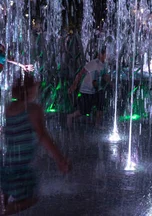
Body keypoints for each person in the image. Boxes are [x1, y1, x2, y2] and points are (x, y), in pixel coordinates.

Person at [1, 74, 70, 214]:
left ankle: (4, 208)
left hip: (6, 162)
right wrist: (60, 160)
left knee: (6, 195)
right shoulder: (33, 109)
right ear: (30, 90)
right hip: (22, 166)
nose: (37, 91)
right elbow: (43, 136)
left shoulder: (8, 108)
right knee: (30, 199)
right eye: (36, 88)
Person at [67, 48, 109, 128]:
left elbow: (104, 75)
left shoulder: (104, 64)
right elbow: (80, 74)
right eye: (106, 54)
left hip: (96, 90)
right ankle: (70, 117)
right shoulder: (93, 63)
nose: (107, 56)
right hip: (86, 90)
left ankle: (97, 124)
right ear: (101, 54)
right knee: (84, 111)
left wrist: (112, 83)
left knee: (101, 106)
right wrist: (74, 85)